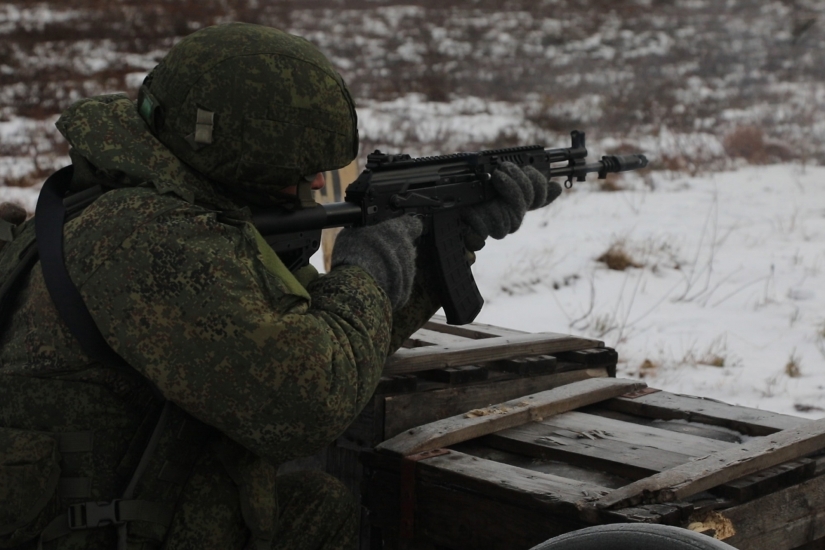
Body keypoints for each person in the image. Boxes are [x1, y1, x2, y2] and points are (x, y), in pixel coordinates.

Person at [0, 22, 560, 550]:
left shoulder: (152, 193)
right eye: (300, 164)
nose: (318, 181)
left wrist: (447, 244)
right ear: (239, 147)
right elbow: (307, 401)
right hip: (88, 530)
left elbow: (329, 338)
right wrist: (366, 267)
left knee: (318, 505)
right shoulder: (147, 239)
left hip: (123, 490)